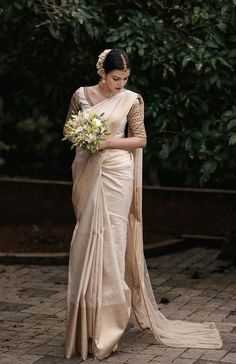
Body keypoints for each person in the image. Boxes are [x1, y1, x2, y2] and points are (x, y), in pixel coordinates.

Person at [64, 49, 222, 361]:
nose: (120, 85)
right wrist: (84, 139)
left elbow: (141, 140)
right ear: (102, 73)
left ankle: (109, 329)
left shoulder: (131, 100)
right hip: (89, 173)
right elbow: (68, 129)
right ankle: (87, 324)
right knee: (86, 241)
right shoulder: (81, 96)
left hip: (118, 174)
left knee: (114, 241)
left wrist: (107, 142)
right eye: (115, 79)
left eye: (125, 79)